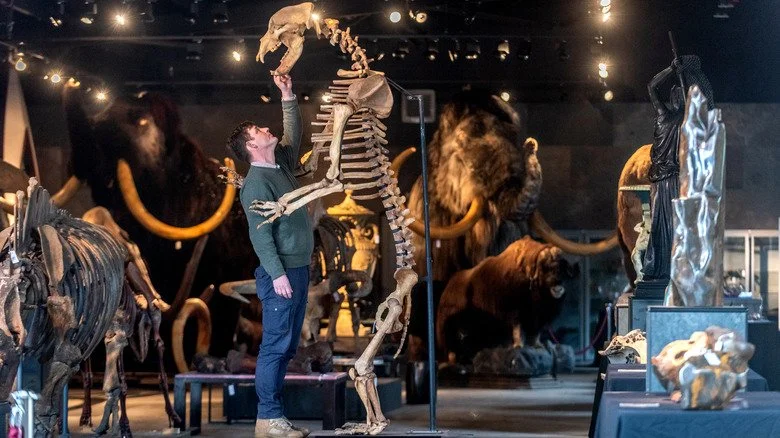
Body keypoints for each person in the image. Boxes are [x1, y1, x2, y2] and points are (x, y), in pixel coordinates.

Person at [227, 74, 313, 438]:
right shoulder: (255, 185)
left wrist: (288, 95)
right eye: (259, 130)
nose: (266, 129)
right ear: (250, 145)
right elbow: (259, 235)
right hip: (282, 274)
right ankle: (268, 418)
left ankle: (274, 417)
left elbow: (293, 135)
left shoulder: (279, 164)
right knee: (275, 347)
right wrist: (277, 275)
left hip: (299, 269)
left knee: (288, 346)